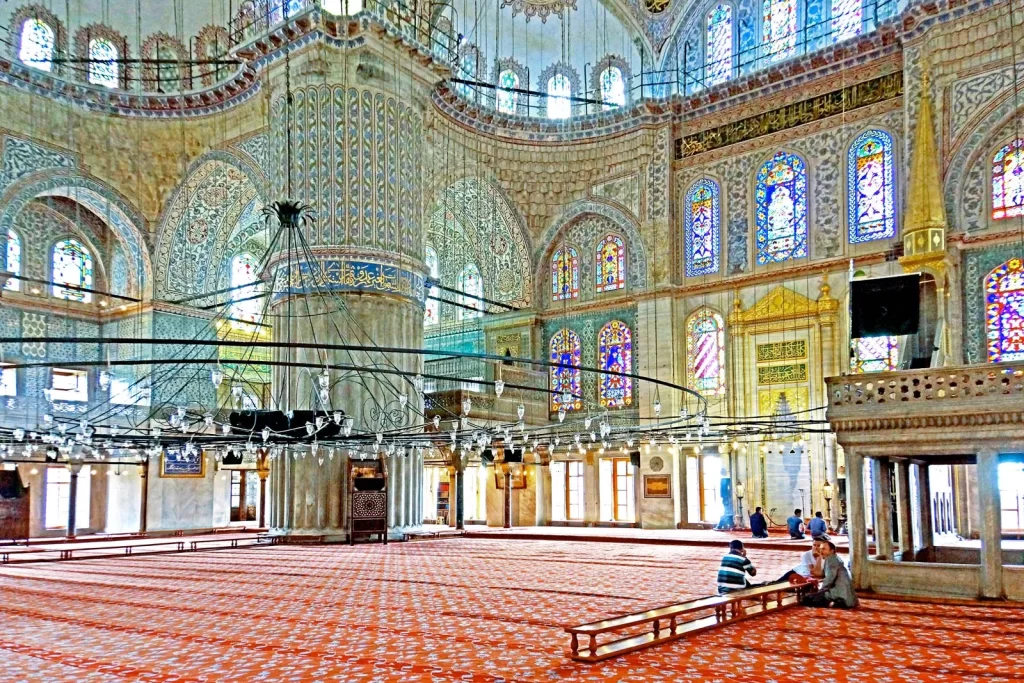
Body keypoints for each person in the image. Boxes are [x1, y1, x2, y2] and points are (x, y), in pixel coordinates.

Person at [801, 541, 858, 608]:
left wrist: (820, 591)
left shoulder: (831, 561)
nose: (821, 551)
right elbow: (822, 573)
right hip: (848, 597)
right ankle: (834, 603)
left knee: (806, 599)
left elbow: (829, 579)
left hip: (839, 594)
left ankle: (834, 603)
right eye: (821, 549)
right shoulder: (835, 559)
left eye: (824, 549)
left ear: (832, 551)